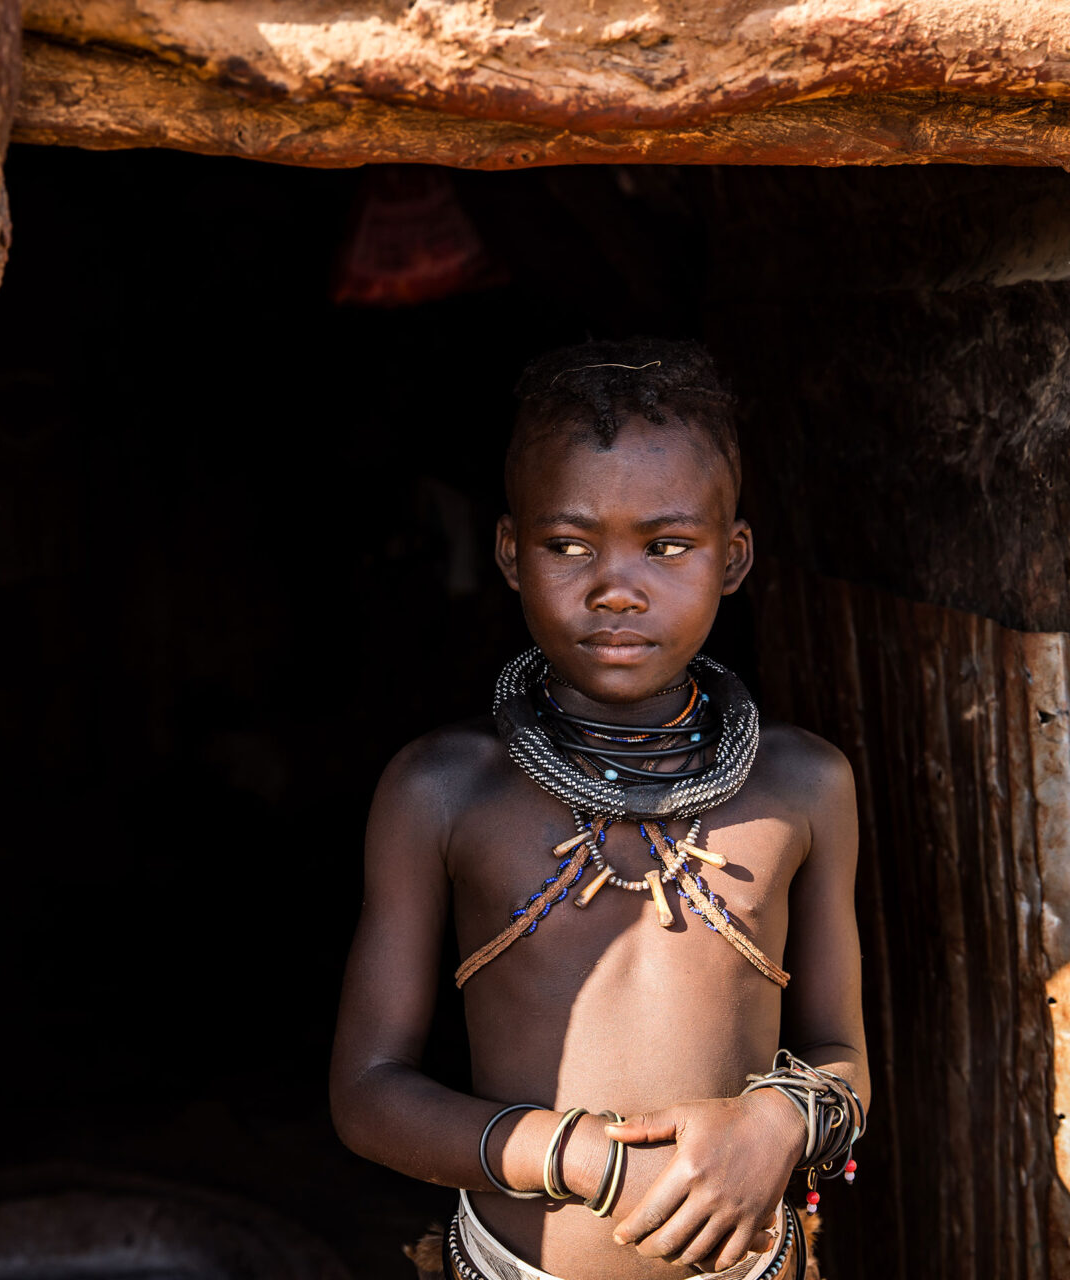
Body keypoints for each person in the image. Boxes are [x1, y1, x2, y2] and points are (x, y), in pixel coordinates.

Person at [330, 338, 869, 1280]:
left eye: (667, 547)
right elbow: (368, 1094)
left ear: (733, 557)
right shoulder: (442, 790)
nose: (617, 588)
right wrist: (582, 1157)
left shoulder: (805, 785)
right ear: (510, 553)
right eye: (570, 546)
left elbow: (842, 1054)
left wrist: (777, 1123)